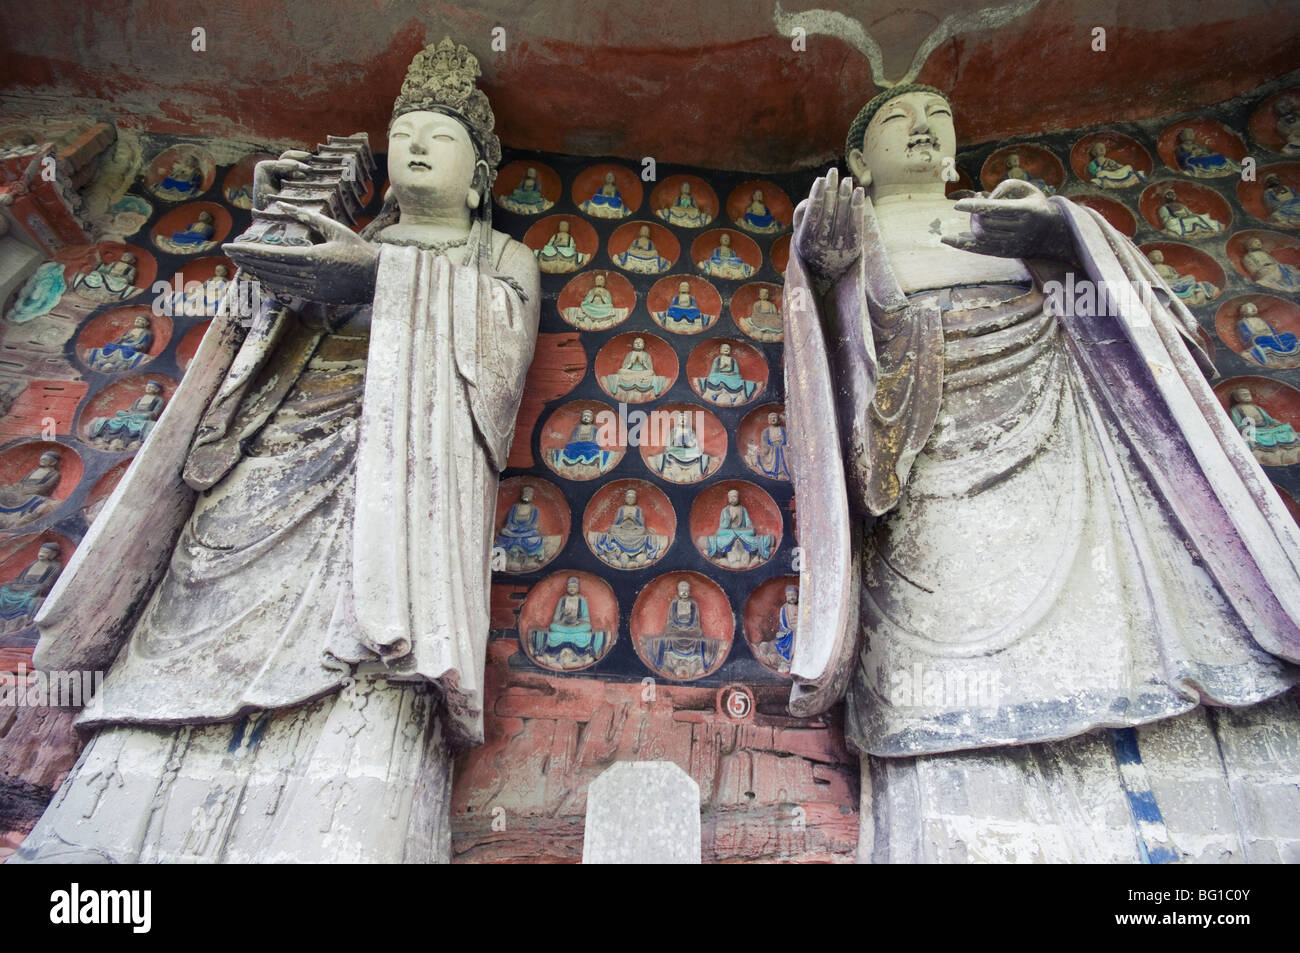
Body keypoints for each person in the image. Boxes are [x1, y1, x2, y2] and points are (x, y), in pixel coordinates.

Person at [17, 37, 540, 865]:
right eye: (404, 131)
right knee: (188, 635)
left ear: (479, 176)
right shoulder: (334, 229)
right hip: (265, 465)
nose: (413, 145)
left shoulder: (498, 256)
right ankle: (110, 838)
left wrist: (378, 273)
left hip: (393, 490)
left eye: (439, 137)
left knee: (372, 660)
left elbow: (500, 359)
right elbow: (247, 348)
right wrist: (282, 239)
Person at [784, 83, 1300, 862]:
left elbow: (1152, 331)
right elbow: (824, 382)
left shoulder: (1013, 211)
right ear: (860, 156)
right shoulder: (846, 228)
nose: (922, 129)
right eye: (897, 119)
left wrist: (1063, 235)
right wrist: (821, 269)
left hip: (1060, 439)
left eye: (940, 118)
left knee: (1120, 610)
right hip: (924, 462)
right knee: (947, 665)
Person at [0, 543, 62, 634]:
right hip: (22, 587)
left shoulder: (55, 566)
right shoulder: (33, 563)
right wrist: (14, 584)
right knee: (4, 588)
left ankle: (25, 621)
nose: (41, 554)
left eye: (45, 552)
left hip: (33, 588)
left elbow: (45, 585)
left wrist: (30, 587)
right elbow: (18, 578)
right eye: (41, 551)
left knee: (35, 592)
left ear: (53, 554)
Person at [86, 315, 154, 372]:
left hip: (131, 348)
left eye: (140, 320)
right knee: (109, 345)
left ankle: (115, 365)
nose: (137, 321)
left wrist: (140, 346)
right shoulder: (130, 331)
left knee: (129, 350)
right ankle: (96, 362)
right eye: (137, 319)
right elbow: (118, 341)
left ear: (146, 323)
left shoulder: (147, 333)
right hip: (122, 346)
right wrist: (124, 339)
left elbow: (145, 346)